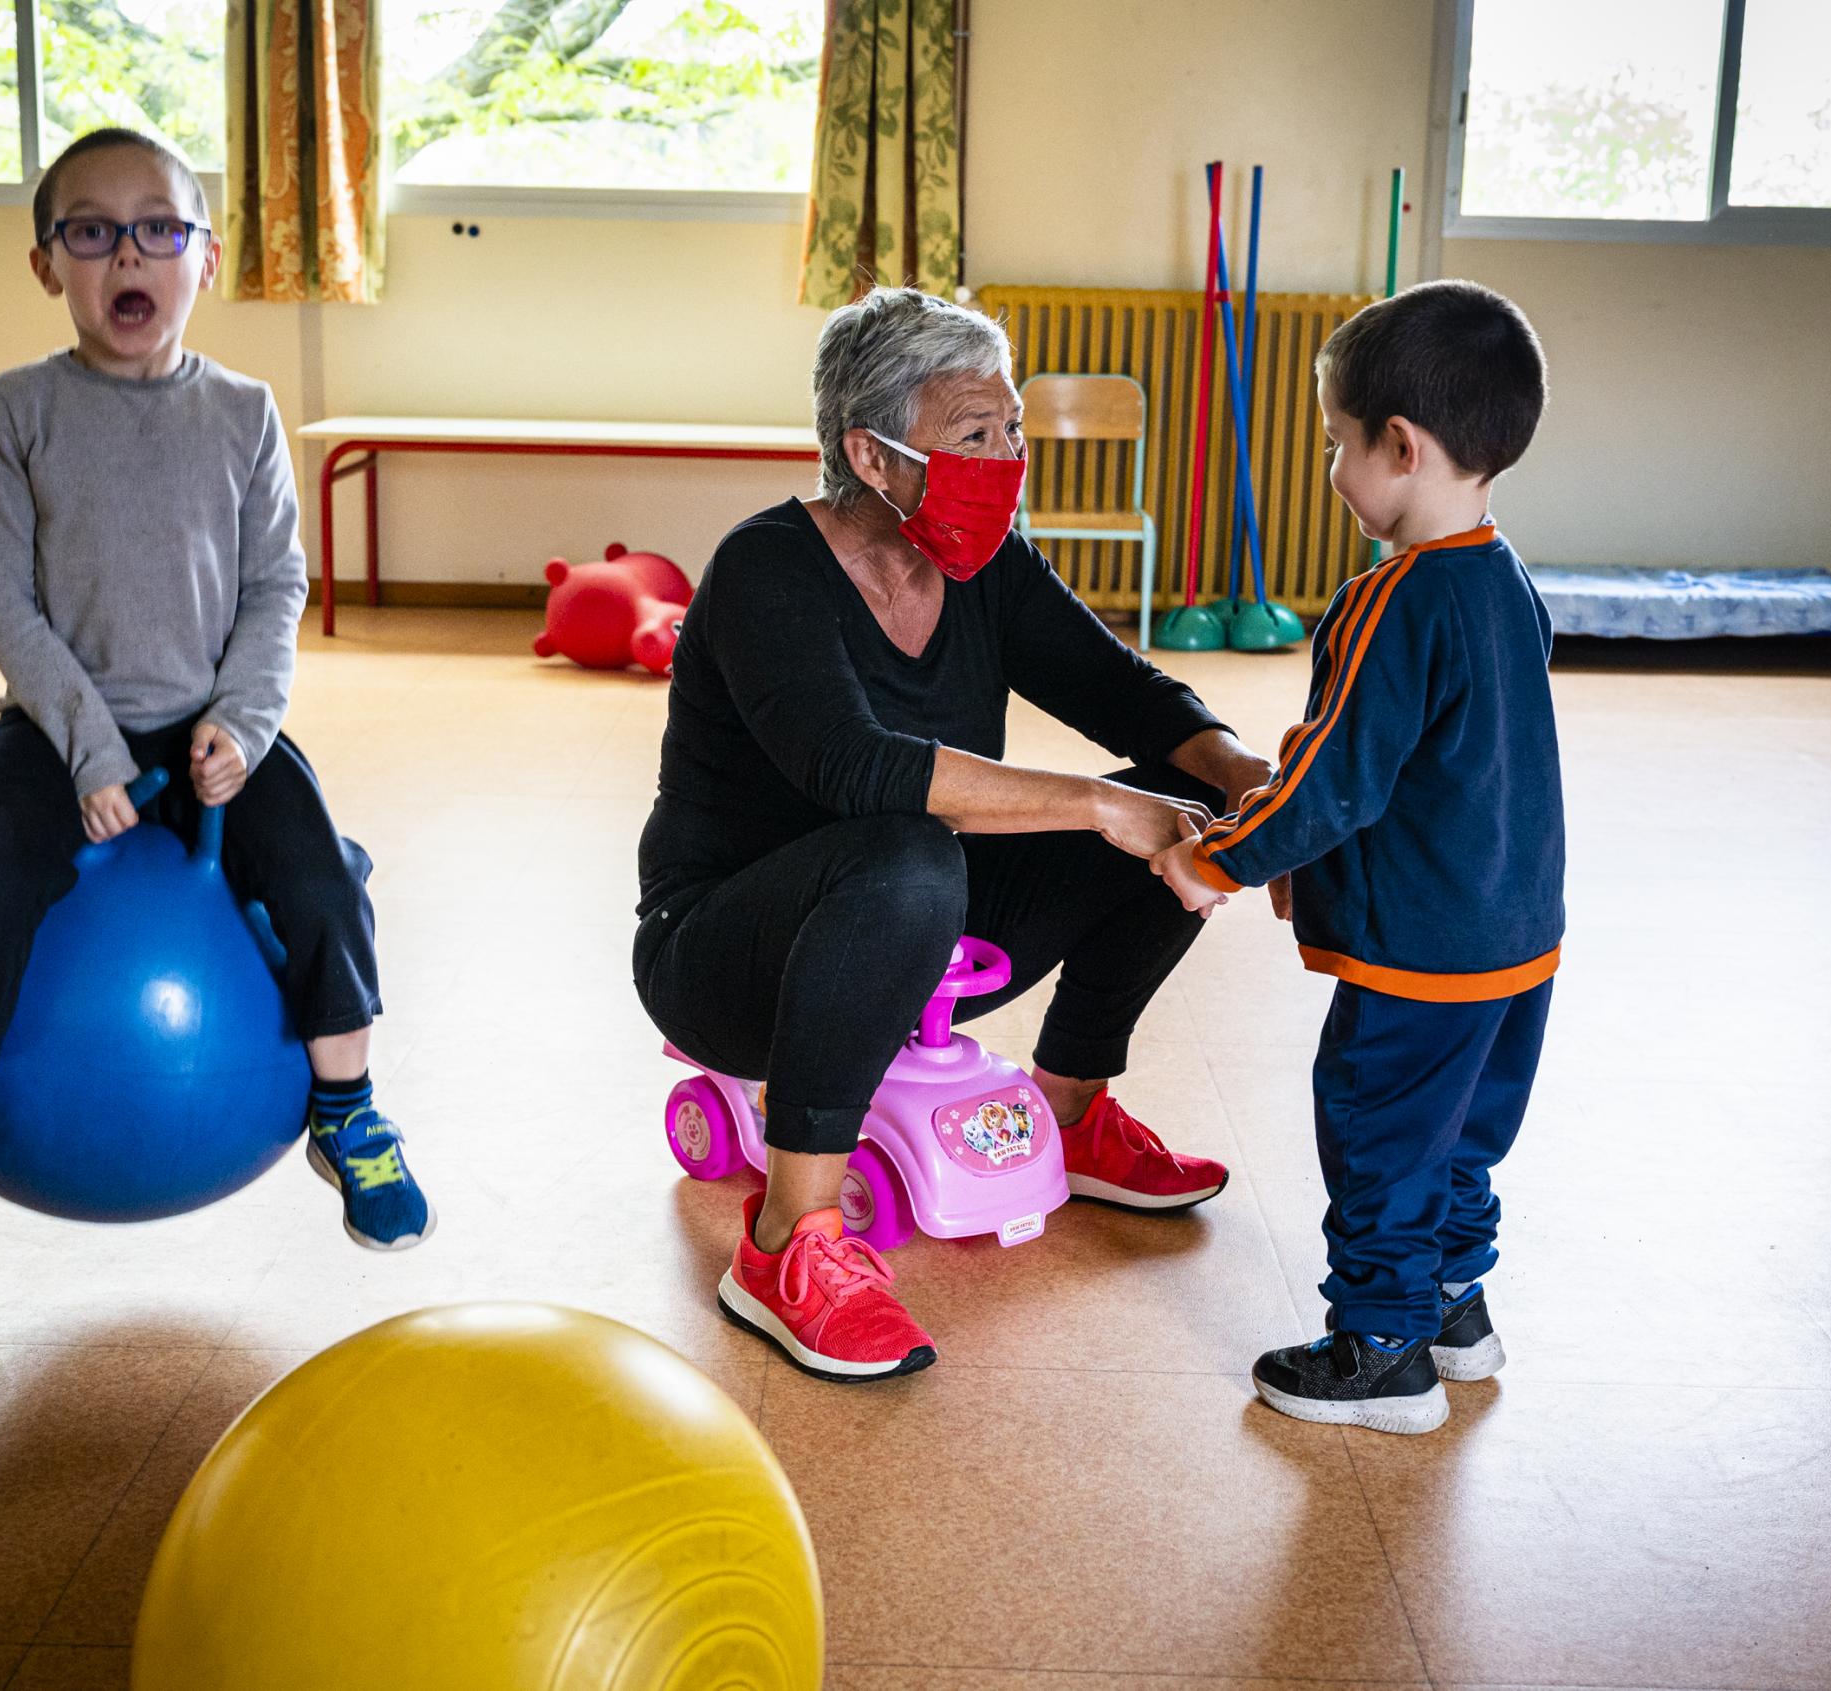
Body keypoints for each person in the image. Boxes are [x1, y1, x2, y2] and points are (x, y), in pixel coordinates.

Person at [636, 288, 1276, 1383]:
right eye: (975, 436)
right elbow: (852, 767)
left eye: (1012, 428)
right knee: (918, 841)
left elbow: (1119, 689)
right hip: (731, 956)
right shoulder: (764, 569)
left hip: (916, 932)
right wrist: (1090, 800)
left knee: (1177, 807)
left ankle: (1068, 1117)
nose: (1009, 458)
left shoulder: (984, 565)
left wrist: (1249, 779)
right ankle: (789, 1241)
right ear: (870, 455)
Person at [0, 129, 430, 1253]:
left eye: (158, 228)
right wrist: (89, 749)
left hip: (216, 726)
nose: (126, 256)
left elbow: (273, 582)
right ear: (49, 263)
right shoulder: (15, 412)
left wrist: (243, 723)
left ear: (201, 255)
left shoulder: (243, 413)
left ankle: (347, 1109)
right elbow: (6, 603)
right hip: (61, 726)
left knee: (315, 874)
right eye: (91, 233)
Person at [1153, 280, 1561, 1435]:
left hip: (1420, 948)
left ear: (1400, 444)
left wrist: (1214, 861)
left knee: (1379, 1127)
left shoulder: (1390, 598)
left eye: (1337, 445)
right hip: (1515, 934)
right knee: (1463, 1132)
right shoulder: (1506, 578)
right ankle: (1451, 1307)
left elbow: (1337, 777)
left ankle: (1381, 1351)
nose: (1333, 471)